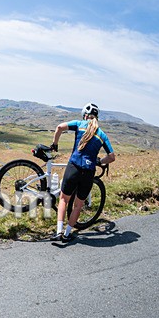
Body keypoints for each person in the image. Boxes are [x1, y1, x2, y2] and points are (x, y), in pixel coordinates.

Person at [50, 102, 116, 242]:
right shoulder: (102, 135)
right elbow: (112, 157)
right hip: (88, 172)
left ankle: (58, 232)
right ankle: (67, 234)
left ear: (85, 115)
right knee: (78, 205)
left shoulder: (79, 124)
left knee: (63, 199)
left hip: (74, 166)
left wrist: (55, 144)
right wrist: (100, 162)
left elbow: (59, 127)